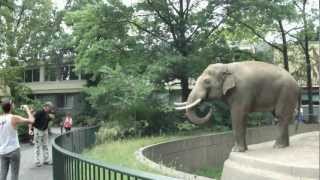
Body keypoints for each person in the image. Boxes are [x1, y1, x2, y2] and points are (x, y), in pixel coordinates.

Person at [0, 99, 34, 180]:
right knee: (14, 174)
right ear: (11, 106)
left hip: (2, 151)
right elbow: (31, 120)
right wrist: (27, 110)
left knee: (3, 174)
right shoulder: (14, 118)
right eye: (13, 104)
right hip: (13, 150)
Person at [28, 102, 54, 167]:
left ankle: (46, 160)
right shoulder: (39, 112)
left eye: (51, 108)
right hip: (38, 130)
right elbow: (31, 120)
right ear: (46, 106)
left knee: (45, 145)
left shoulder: (48, 113)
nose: (50, 109)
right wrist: (30, 129)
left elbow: (51, 118)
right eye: (50, 107)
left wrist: (51, 116)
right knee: (37, 146)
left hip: (45, 130)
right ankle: (37, 161)